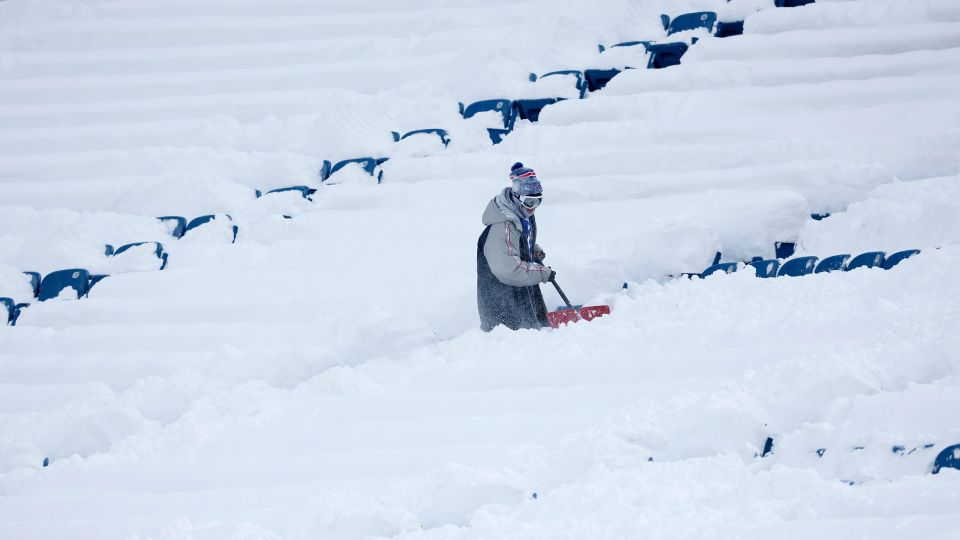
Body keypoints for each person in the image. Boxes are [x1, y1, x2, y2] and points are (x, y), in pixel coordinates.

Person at [477, 162, 555, 331]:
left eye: (538, 201)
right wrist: (542, 273)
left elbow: (516, 241)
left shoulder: (520, 215)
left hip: (520, 302)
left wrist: (531, 250)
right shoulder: (502, 226)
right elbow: (508, 269)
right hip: (504, 315)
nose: (534, 207)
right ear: (517, 198)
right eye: (530, 201)